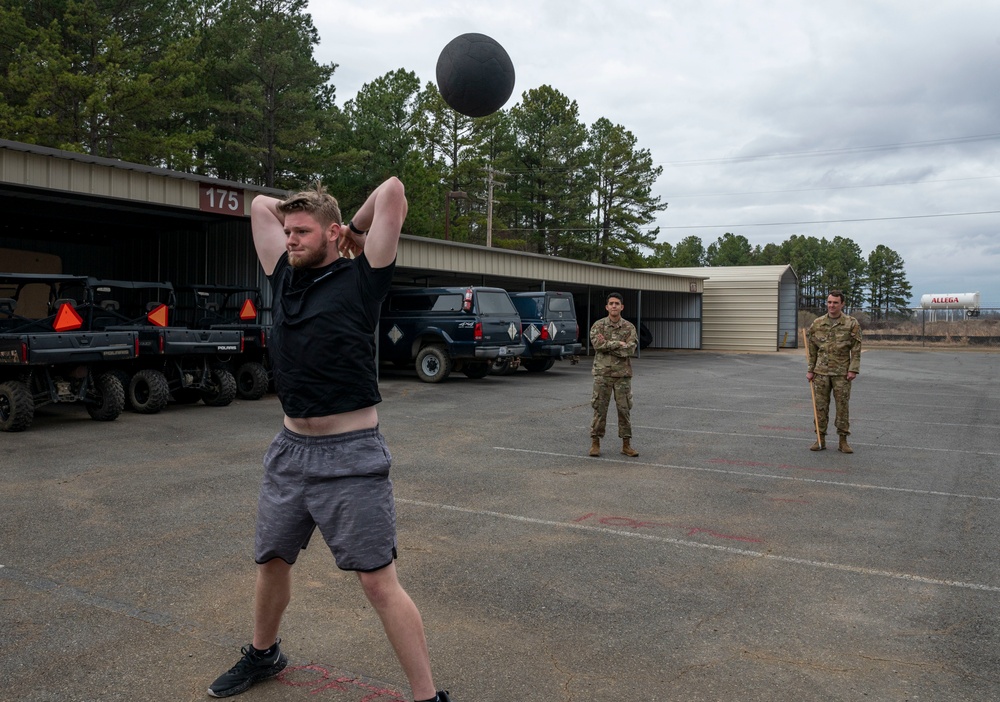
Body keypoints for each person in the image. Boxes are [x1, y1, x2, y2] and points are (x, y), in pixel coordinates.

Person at [208, 178, 450, 702]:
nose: (289, 237)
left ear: (331, 233)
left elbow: (393, 191)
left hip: (352, 455)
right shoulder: (282, 277)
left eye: (302, 231)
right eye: (288, 230)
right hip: (290, 451)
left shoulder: (365, 278)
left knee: (377, 581)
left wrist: (353, 231)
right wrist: (302, 206)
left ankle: (427, 696)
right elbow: (258, 205)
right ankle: (263, 653)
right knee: (271, 560)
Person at [806, 289, 862, 453]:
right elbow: (812, 350)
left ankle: (843, 440)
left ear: (842, 304)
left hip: (841, 373)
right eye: (829, 302)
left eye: (835, 302)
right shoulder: (817, 323)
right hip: (821, 373)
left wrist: (853, 370)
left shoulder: (851, 323)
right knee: (820, 407)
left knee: (842, 407)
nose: (832, 305)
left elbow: (856, 349)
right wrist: (810, 370)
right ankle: (820, 438)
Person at [589, 292, 639, 458]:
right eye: (611, 303)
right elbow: (597, 345)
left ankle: (626, 444)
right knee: (599, 409)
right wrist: (618, 343)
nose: (614, 306)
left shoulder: (629, 327)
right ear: (607, 307)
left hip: (622, 376)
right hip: (602, 374)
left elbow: (630, 349)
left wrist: (607, 345)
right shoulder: (598, 326)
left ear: (622, 307)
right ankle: (595, 443)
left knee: (624, 410)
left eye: (617, 303)